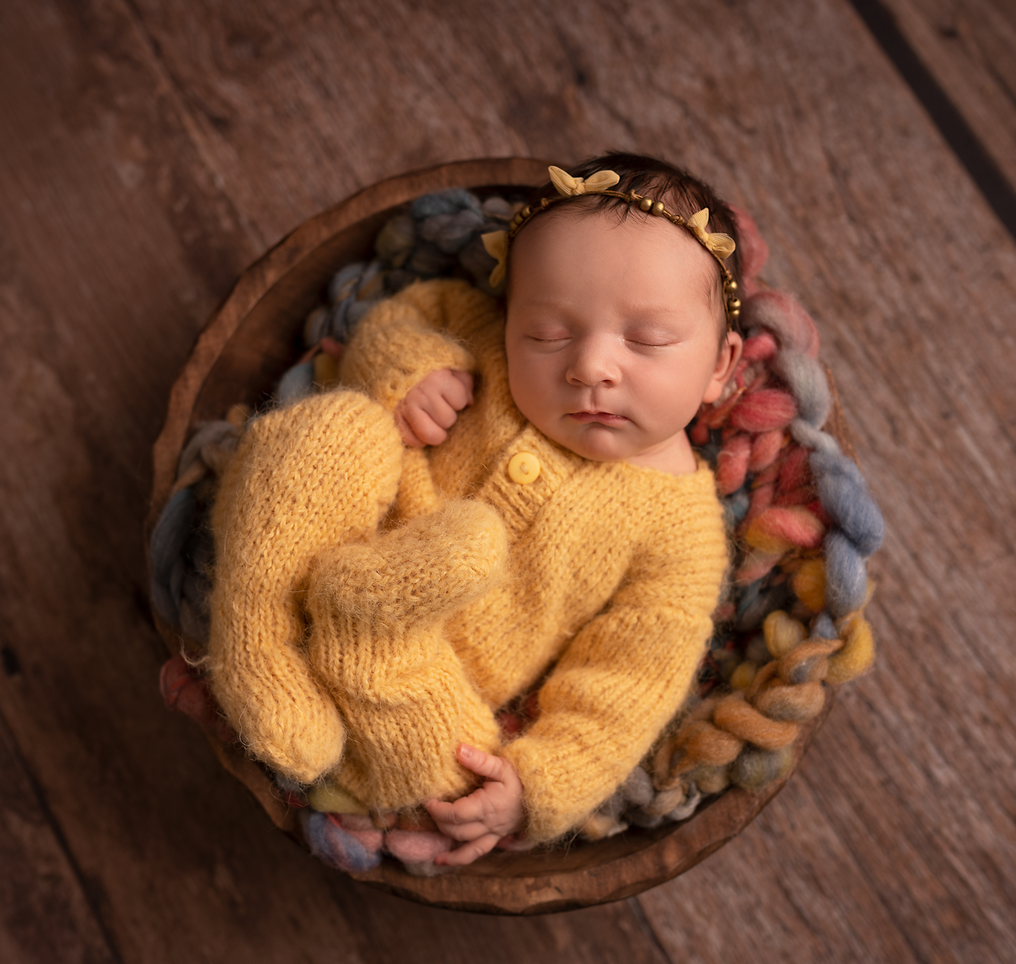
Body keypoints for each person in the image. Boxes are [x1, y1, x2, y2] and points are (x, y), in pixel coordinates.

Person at [206, 153, 747, 868]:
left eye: (645, 340)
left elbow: (628, 685)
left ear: (720, 365)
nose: (590, 365)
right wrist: (411, 371)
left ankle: (352, 633)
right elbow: (408, 316)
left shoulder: (682, 535)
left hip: (425, 679)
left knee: (460, 766)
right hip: (331, 541)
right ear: (509, 314)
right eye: (548, 333)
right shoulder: (479, 338)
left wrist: (536, 784)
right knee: (333, 433)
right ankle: (258, 641)